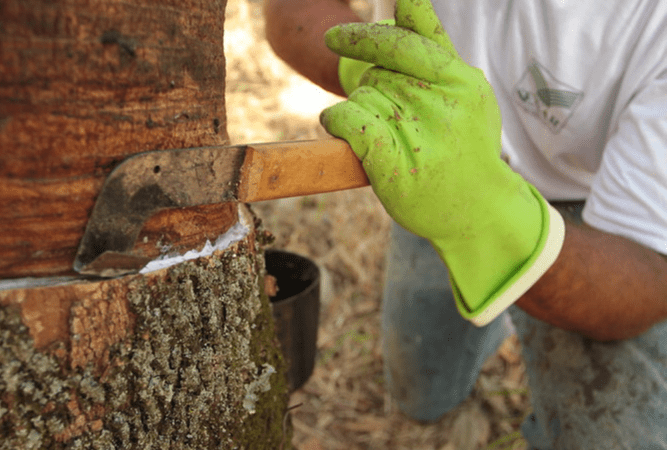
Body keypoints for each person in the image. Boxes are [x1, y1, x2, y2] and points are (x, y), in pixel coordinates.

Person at [264, 0, 667, 448]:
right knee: (419, 396)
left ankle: (506, 291)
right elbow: (292, 11)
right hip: (439, 174)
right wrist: (374, 76)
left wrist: (488, 212)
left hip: (600, 221)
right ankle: (496, 313)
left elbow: (649, 280)